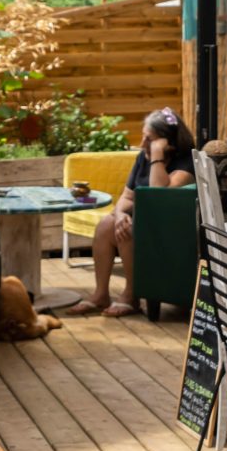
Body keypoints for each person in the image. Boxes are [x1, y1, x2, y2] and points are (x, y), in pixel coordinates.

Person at [83, 107, 194, 317]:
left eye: (149, 139)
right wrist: (119, 214)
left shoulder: (186, 161)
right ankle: (101, 294)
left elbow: (159, 195)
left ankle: (131, 295)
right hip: (146, 222)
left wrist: (157, 156)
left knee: (129, 227)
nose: (142, 144)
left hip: (172, 231)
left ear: (168, 142)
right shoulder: (143, 157)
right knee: (107, 224)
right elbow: (127, 197)